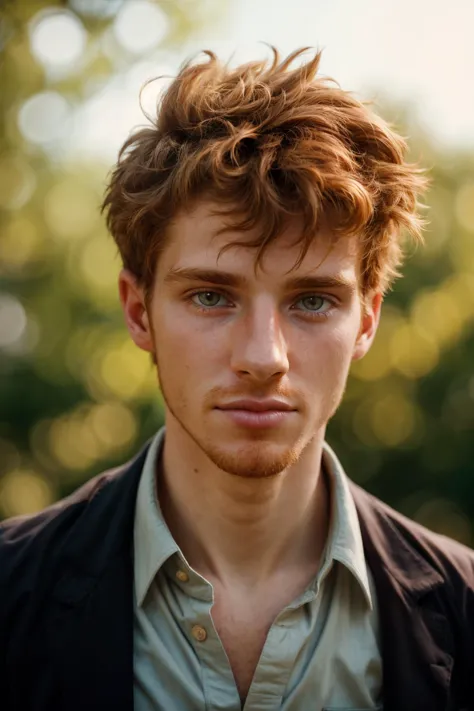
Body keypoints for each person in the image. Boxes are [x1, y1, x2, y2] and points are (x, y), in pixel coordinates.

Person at [1, 47, 473, 711]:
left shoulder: (465, 607)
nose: (264, 356)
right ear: (139, 311)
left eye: (312, 300)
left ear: (366, 321)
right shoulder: (10, 593)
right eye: (211, 296)